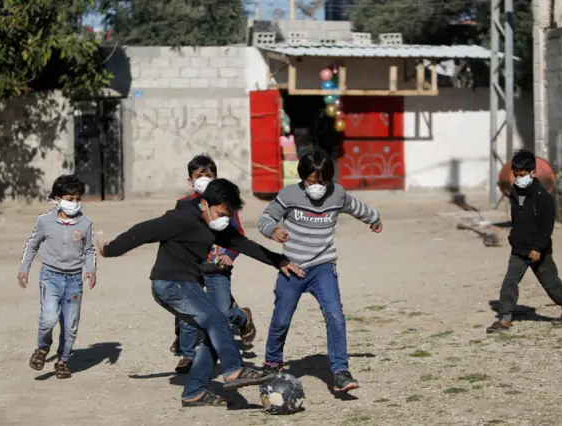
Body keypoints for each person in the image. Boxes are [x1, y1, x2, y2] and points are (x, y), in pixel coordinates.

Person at [96, 178, 304, 407]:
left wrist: (279, 261)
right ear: (204, 204)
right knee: (216, 320)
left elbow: (244, 244)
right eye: (220, 213)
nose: (223, 219)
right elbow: (143, 231)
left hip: (188, 285)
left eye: (228, 215)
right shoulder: (180, 219)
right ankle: (234, 369)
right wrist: (111, 249)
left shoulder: (217, 226)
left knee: (217, 329)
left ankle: (194, 391)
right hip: (170, 283)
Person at [257, 150, 382, 393]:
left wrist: (374, 219)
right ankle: (272, 363)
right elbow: (265, 218)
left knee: (335, 315)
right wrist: (273, 230)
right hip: (291, 268)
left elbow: (358, 207)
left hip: (323, 266)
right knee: (281, 319)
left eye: (323, 181)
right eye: (312, 181)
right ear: (302, 177)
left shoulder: (337, 194)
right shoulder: (289, 194)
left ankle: (340, 372)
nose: (318, 186)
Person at [170, 154, 257, 375]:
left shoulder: (226, 203)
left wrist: (230, 254)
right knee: (189, 312)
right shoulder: (183, 205)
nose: (204, 179)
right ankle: (187, 355)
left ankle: (243, 317)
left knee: (223, 313)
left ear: (216, 177)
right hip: (192, 268)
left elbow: (239, 236)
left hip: (218, 267)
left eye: (209, 175)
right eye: (199, 176)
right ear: (190, 181)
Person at [486, 149, 562, 333]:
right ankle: (504, 320)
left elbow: (546, 227)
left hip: (539, 251)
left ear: (533, 173)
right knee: (509, 283)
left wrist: (537, 248)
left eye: (523, 174)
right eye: (517, 174)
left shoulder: (543, 197)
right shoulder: (514, 193)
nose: (520, 178)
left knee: (551, 283)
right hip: (519, 249)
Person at [17, 174, 97, 379]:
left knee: (70, 324)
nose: (75, 203)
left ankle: (63, 361)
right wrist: (24, 268)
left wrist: (91, 269)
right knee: (49, 318)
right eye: (70, 199)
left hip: (73, 281)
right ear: (57, 199)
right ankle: (43, 347)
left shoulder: (85, 224)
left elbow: (89, 250)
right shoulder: (44, 221)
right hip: (50, 277)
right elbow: (32, 245)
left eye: (78, 199)